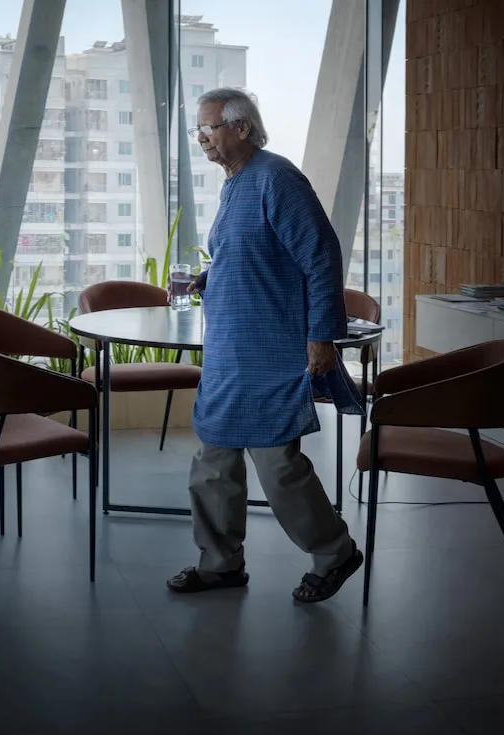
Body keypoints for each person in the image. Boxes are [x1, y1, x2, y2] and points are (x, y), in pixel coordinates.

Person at [165, 87, 362, 604]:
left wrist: (322, 336)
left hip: (271, 348)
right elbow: (250, 256)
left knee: (276, 461)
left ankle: (335, 551)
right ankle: (220, 563)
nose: (202, 138)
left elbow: (322, 258)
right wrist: (207, 280)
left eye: (209, 127)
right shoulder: (234, 184)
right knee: (214, 458)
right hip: (230, 349)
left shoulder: (277, 178)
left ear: (242, 129)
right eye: (198, 130)